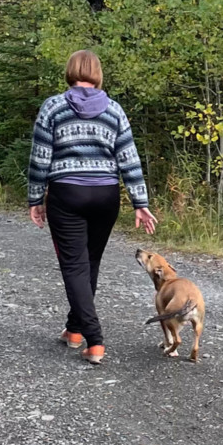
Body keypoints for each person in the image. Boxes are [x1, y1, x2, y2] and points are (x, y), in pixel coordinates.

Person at [28, 49, 157, 364]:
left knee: (74, 265)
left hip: (67, 194)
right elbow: (129, 158)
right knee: (90, 263)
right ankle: (74, 330)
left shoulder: (53, 108)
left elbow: (40, 157)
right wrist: (140, 202)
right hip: (105, 196)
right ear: (97, 74)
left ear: (71, 71)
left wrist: (35, 197)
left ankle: (95, 340)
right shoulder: (114, 111)